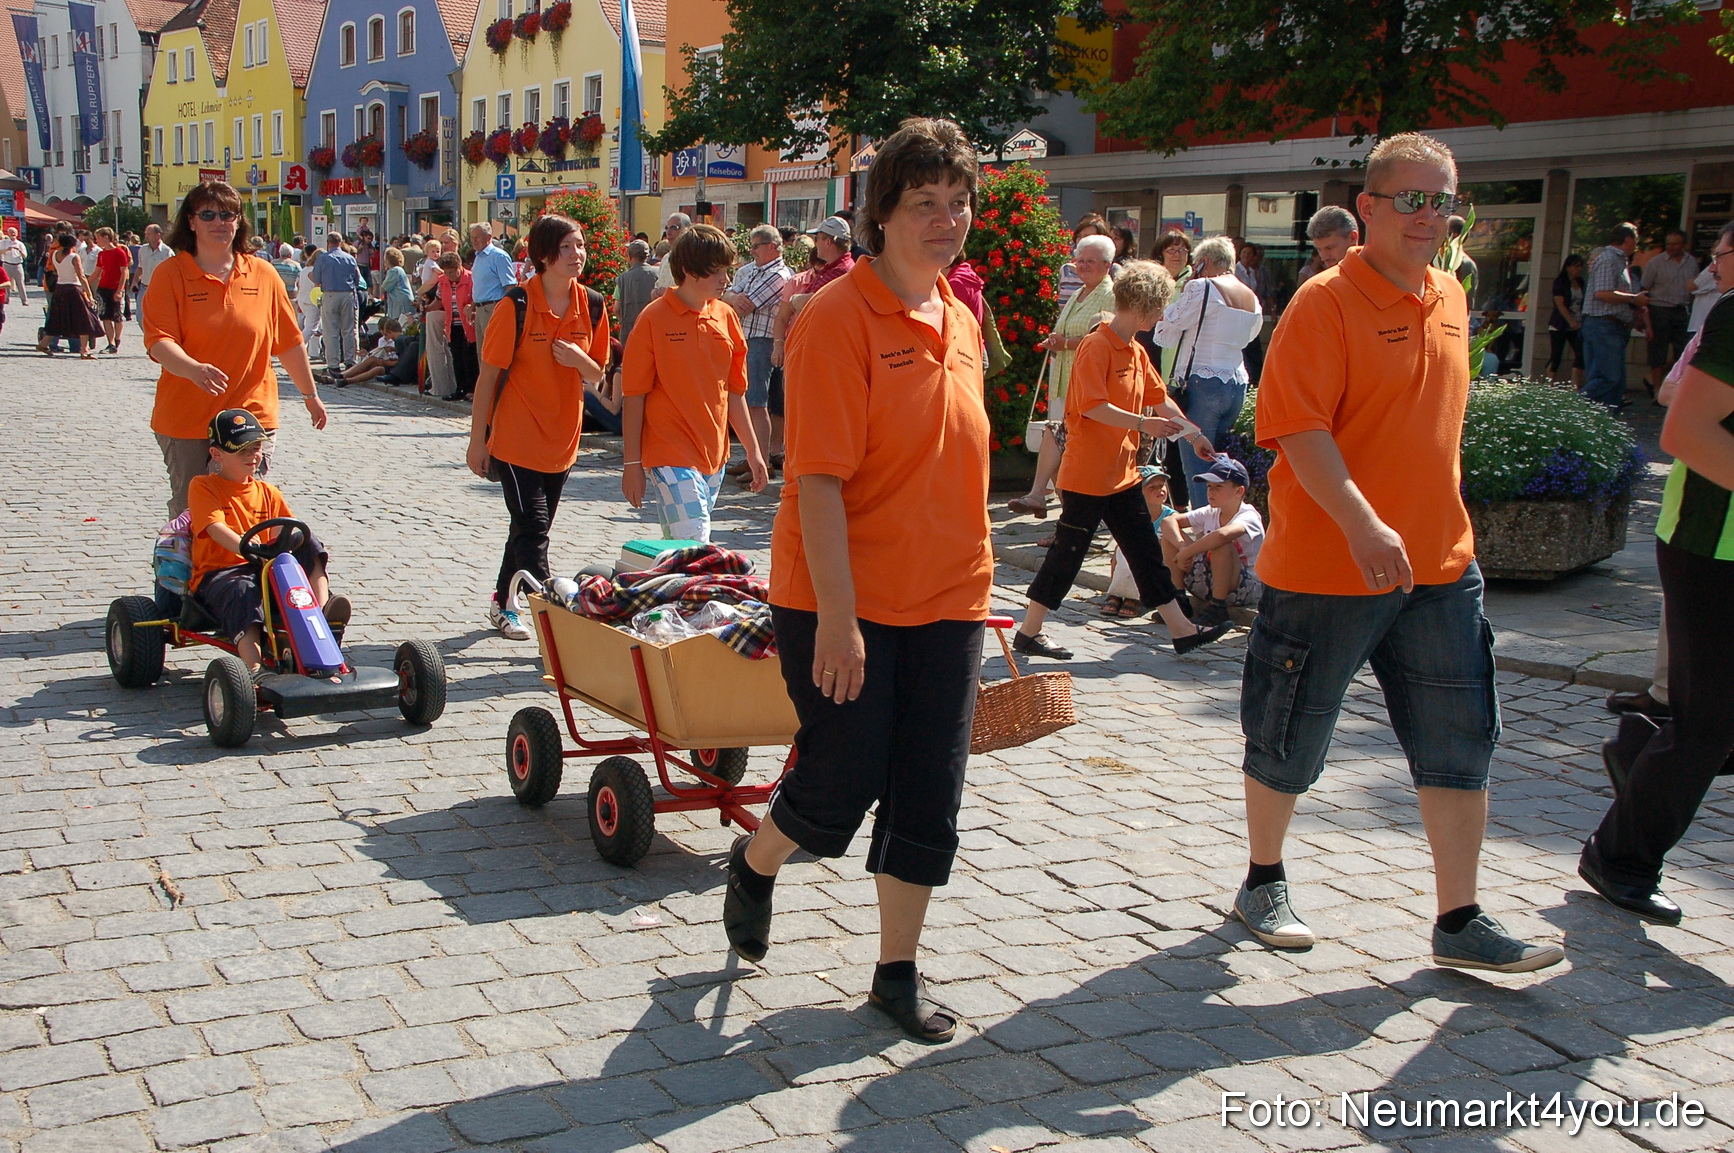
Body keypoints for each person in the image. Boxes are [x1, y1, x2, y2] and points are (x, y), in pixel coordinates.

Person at [1232, 132, 1564, 974]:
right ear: (1369, 209)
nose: (1428, 215)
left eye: (1441, 199)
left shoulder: (1450, 293)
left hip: (1441, 566)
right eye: (1409, 199)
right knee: (1288, 733)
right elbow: (1297, 428)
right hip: (1329, 564)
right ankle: (1262, 877)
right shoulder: (1323, 302)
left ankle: (1460, 918)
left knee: (1460, 741)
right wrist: (1361, 521)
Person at [723, 118, 997, 1046]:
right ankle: (758, 861)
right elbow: (821, 482)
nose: (946, 220)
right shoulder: (839, 320)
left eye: (957, 203)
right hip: (839, 597)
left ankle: (895, 972)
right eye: (924, 203)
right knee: (840, 776)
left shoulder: (957, 318)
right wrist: (839, 621)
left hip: (948, 596)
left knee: (930, 789)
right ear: (881, 214)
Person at [1577, 221, 1734, 928]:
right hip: (1713, 543)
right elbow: (1685, 432)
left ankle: (1638, 748)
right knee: (1707, 725)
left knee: (1708, 722)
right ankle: (1622, 856)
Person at [1011, 260, 1231, 662]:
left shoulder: (1134, 350)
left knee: (1145, 553)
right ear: (1145, 307)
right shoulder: (1097, 346)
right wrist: (1143, 423)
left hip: (1122, 474)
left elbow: (1159, 398)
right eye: (1160, 307)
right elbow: (1093, 406)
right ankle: (1028, 632)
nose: (1162, 315)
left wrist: (1193, 433)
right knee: (1066, 557)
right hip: (1087, 476)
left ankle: (1182, 630)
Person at [142, 180, 327, 517]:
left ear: (239, 222)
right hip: (188, 419)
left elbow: (288, 342)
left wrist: (310, 395)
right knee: (193, 510)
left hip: (252, 413)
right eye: (208, 214)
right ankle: (192, 571)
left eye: (227, 215)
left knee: (244, 505)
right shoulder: (171, 274)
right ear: (191, 221)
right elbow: (159, 342)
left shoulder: (263, 274)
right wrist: (193, 369)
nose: (219, 223)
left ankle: (241, 570)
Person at [465, 214, 611, 640]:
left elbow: (598, 374)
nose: (577, 254)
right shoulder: (517, 305)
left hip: (563, 442)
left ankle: (501, 601)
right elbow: (487, 379)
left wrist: (579, 361)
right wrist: (478, 442)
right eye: (567, 247)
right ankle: (553, 618)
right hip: (515, 440)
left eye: (580, 245)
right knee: (533, 529)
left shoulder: (594, 304)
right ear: (544, 255)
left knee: (529, 528)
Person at [621, 224, 768, 542]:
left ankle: (662, 589)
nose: (725, 280)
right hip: (669, 452)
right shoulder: (653, 318)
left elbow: (734, 392)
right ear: (688, 270)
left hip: (715, 455)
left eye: (726, 270)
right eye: (716, 271)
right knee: (696, 541)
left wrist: (754, 453)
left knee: (681, 548)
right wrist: (632, 464)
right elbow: (634, 396)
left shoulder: (727, 316)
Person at [189, 408, 348, 675]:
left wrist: (280, 549)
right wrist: (249, 548)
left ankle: (321, 614)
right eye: (242, 450)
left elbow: (284, 533)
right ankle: (254, 668)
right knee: (243, 592)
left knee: (308, 542)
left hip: (264, 567)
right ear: (217, 454)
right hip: (221, 573)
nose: (252, 456)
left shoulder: (267, 491)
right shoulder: (204, 486)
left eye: (256, 448)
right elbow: (215, 528)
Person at [1006, 234, 1117, 519]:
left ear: (1107, 264)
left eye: (1089, 261)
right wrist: (1055, 341)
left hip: (1087, 386)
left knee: (1068, 448)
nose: (1082, 266)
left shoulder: (1111, 295)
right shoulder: (1079, 293)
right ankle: (1063, 511)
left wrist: (1065, 343)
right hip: (1064, 380)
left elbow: (1107, 339)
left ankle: (1050, 502)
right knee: (1058, 442)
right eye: (1079, 260)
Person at [1154, 235, 1264, 510]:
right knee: (1220, 465)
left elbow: (1170, 325)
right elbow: (1251, 335)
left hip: (1202, 383)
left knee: (1197, 464)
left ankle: (1206, 532)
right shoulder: (1249, 293)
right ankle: (1223, 524)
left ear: (1203, 263)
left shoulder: (1203, 286)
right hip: (1236, 382)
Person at [720, 224, 791, 482]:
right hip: (741, 337)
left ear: (772, 246)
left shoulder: (780, 275)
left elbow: (745, 305)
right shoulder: (749, 270)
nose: (752, 252)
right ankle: (754, 456)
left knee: (756, 402)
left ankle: (761, 460)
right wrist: (730, 297)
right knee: (747, 399)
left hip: (762, 340)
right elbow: (725, 295)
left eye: (756, 246)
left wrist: (730, 298)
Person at [1159, 456, 1263, 630]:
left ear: (1239, 491)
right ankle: (1179, 599)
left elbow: (1222, 535)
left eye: (1218, 487)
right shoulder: (1210, 511)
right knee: (1169, 538)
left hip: (1243, 588)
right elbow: (1168, 521)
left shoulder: (1248, 516)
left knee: (1221, 544)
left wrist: (1188, 552)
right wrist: (1182, 547)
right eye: (1209, 487)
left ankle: (1218, 607)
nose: (1211, 492)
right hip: (1208, 579)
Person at [1581, 222, 1649, 409]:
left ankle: (1606, 428)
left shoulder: (1620, 261)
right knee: (1607, 378)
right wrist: (1634, 299)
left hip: (1614, 327)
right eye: (1635, 240)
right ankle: (1572, 409)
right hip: (1603, 326)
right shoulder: (1608, 259)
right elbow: (1602, 293)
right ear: (1627, 239)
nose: (1637, 244)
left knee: (1615, 385)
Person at [1102, 467, 1177, 617]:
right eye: (1152, 487)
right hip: (1131, 563)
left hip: (1158, 564)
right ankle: (1116, 593)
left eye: (1162, 486)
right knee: (1122, 549)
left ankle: (1135, 598)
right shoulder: (1132, 515)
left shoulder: (1172, 516)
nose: (1160, 490)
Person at [1641, 230, 1698, 398]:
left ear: (1683, 244)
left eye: (1676, 244)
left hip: (1682, 310)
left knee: (1683, 352)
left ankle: (1656, 381)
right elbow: (1644, 289)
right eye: (1669, 244)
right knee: (1658, 351)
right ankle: (1657, 389)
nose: (1671, 247)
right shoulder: (1655, 263)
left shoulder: (1692, 262)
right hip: (1660, 309)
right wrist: (1644, 318)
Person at [422, 251, 476, 402]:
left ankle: (472, 390)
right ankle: (460, 389)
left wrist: (472, 307)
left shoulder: (471, 279)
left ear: (459, 267)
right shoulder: (443, 281)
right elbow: (439, 301)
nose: (449, 275)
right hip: (453, 324)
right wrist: (426, 308)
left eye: (452, 272)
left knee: (470, 358)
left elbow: (476, 298)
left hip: (468, 324)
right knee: (457, 358)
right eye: (446, 272)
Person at [42, 232, 102, 358]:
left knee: (58, 318)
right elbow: (81, 276)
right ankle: (84, 350)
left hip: (60, 288)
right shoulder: (74, 257)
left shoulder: (55, 254)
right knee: (84, 319)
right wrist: (89, 295)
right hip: (73, 289)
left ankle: (44, 343)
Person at [311, 232, 363, 370]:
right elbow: (357, 280)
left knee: (331, 331)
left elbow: (317, 280)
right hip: (348, 295)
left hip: (330, 294)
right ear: (340, 243)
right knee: (349, 330)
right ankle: (350, 360)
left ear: (328, 243)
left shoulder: (323, 258)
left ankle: (333, 364)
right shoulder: (350, 258)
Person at [466, 222, 517, 355]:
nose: (474, 241)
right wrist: (472, 306)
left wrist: (505, 312)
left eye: (477, 237)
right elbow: (482, 286)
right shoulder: (478, 257)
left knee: (494, 354)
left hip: (493, 309)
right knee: (483, 355)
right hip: (480, 310)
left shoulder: (498, 256)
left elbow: (510, 286)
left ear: (488, 237)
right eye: (472, 237)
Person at [1055, 213, 1113, 306]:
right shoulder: (1066, 270)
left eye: (1087, 236)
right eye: (1079, 236)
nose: (1082, 240)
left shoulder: (1111, 270)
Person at [1232, 242, 1269, 384]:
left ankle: (1255, 380)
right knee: (1244, 350)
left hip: (1251, 314)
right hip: (1238, 314)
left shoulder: (1254, 272)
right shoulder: (1235, 270)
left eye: (1249, 254)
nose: (1247, 256)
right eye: (1244, 253)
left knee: (1254, 349)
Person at [1547, 254, 1586, 385]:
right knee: (1556, 356)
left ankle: (1574, 385)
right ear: (1568, 267)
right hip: (1560, 324)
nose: (1579, 269)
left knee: (1581, 353)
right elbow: (1560, 304)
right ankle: (1549, 384)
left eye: (1580, 266)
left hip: (1577, 324)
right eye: (1576, 266)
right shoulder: (1560, 282)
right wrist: (1570, 321)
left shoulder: (1580, 282)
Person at [1297, 205, 1359, 286]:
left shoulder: (1377, 272)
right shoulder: (1316, 287)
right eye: (1319, 250)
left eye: (1329, 248)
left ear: (1352, 238)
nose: (1324, 257)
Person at [93, 227, 132, 354]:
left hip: (115, 287)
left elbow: (124, 272)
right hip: (103, 287)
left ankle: (117, 338)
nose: (96, 240)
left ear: (106, 237)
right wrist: (85, 285)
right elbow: (97, 272)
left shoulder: (119, 252)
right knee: (105, 316)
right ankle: (111, 343)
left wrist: (120, 290)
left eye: (98, 237)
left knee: (117, 316)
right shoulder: (101, 254)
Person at [614, 238, 657, 346]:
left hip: (629, 333)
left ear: (629, 256)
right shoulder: (658, 273)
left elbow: (616, 308)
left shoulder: (622, 279)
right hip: (654, 331)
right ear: (647, 256)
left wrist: (623, 321)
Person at [133, 224, 173, 317]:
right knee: (140, 315)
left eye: (149, 234)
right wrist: (134, 281)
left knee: (159, 315)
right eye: (146, 234)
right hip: (144, 287)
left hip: (160, 289)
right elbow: (140, 267)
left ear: (158, 235)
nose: (146, 236)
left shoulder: (167, 252)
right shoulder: (142, 250)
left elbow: (173, 272)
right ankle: (147, 332)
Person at [652, 213, 693, 290]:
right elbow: (658, 284)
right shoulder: (666, 258)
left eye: (673, 228)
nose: (668, 232)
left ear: (687, 229)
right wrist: (655, 292)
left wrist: (667, 293)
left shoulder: (692, 257)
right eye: (667, 228)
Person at [379, 246, 413, 322]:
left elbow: (385, 287)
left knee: (398, 323)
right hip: (404, 300)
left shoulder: (394, 271)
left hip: (399, 301)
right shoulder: (400, 270)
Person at [0, 225, 27, 304]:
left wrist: (19, 251)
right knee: (6, 283)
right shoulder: (4, 242)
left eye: (14, 232)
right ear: (8, 233)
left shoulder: (20, 244)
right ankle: (6, 299)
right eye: (11, 232)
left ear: (17, 233)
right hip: (7, 264)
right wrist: (6, 249)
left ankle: (24, 300)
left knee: (21, 283)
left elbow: (25, 256)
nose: (13, 234)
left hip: (17, 265)